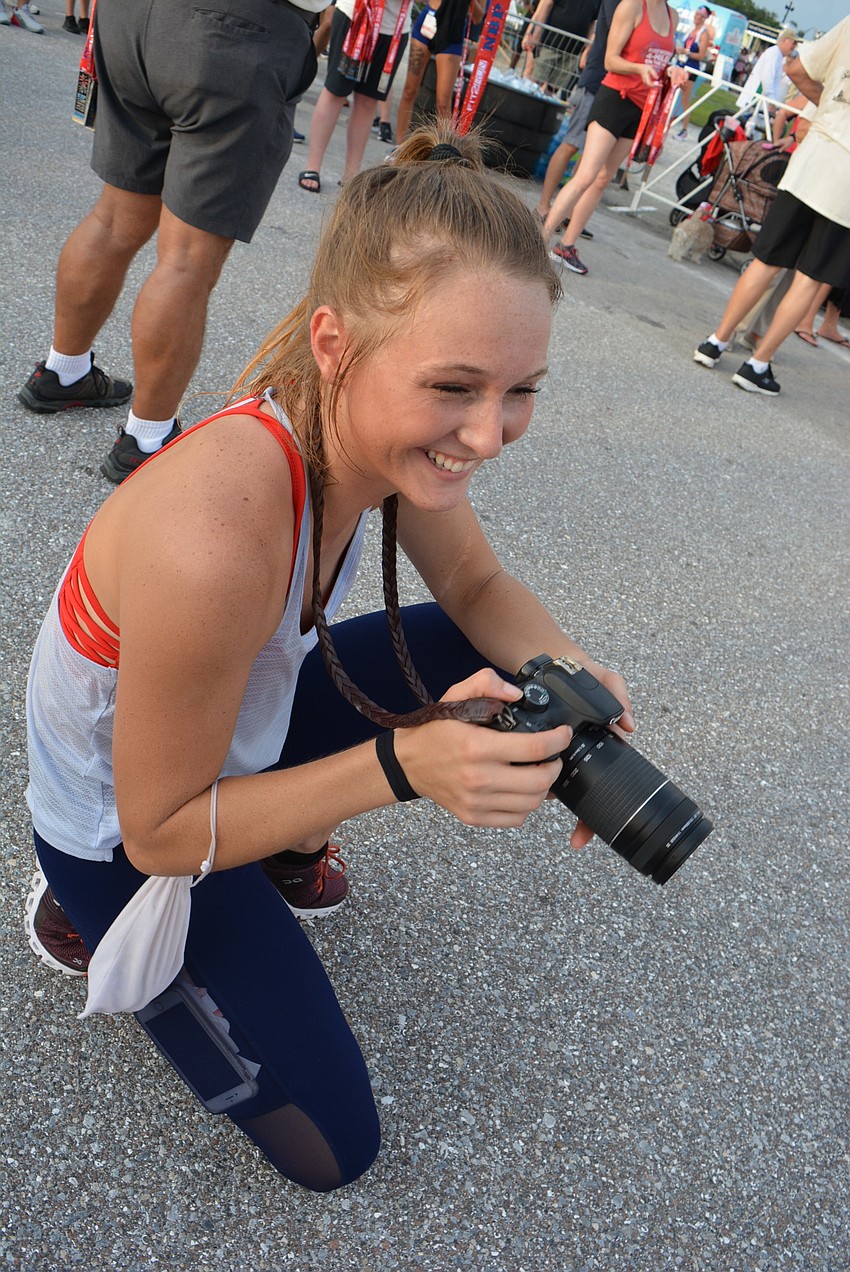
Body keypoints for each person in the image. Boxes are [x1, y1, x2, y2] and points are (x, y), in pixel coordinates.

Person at [23, 121, 634, 1191]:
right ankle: (77, 905)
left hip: (220, 736)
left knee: (474, 648)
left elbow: (479, 590)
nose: (488, 434)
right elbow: (162, 830)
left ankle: (274, 833)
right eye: (455, 387)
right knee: (333, 1149)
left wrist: (576, 685)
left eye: (520, 388)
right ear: (332, 346)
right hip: (125, 822)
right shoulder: (215, 533)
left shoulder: (372, 435)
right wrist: (406, 769)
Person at [16, 0, 323, 485]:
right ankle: (147, 438)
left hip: (132, 16)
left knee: (114, 216)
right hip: (236, 29)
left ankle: (63, 370)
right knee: (187, 259)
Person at [692, 17, 850, 395]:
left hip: (815, 154)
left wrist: (829, 105)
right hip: (845, 181)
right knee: (809, 277)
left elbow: (795, 67)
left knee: (768, 260)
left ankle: (716, 340)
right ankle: (758, 362)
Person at [543, 0, 688, 274]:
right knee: (586, 175)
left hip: (642, 107)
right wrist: (638, 68)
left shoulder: (674, 16)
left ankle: (566, 245)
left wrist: (671, 71)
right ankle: (539, 242)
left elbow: (660, 61)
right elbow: (611, 59)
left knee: (602, 180)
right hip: (614, 98)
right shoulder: (632, 7)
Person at [297, 0, 412, 192]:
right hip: (356, 15)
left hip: (395, 27)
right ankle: (313, 165)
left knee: (368, 101)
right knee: (336, 91)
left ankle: (351, 175)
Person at [534, 4, 613, 229]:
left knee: (590, 154)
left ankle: (567, 212)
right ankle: (543, 205)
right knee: (572, 144)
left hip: (610, 89)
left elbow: (594, 26)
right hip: (596, 82)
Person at [393, 0, 485, 143]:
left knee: (443, 102)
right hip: (428, 20)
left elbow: (478, 18)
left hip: (452, 29)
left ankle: (442, 153)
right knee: (409, 90)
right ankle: (398, 147)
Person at [522, 0, 599, 97]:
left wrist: (586, 49)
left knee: (553, 88)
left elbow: (592, 21)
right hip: (549, 42)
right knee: (535, 80)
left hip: (573, 50)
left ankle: (540, 109)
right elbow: (546, 5)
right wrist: (537, 34)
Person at [736, 27, 797, 136]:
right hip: (756, 102)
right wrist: (772, 103)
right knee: (749, 133)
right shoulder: (774, 54)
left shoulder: (778, 56)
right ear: (785, 40)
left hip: (762, 104)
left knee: (755, 133)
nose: (794, 46)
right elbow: (767, 80)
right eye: (793, 42)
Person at [672, 4, 711, 141]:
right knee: (672, 94)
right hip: (681, 64)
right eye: (695, 14)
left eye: (699, 15)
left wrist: (686, 52)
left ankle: (684, 129)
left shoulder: (704, 34)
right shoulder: (691, 30)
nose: (696, 17)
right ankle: (669, 120)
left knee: (685, 99)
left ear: (704, 18)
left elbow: (701, 55)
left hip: (691, 68)